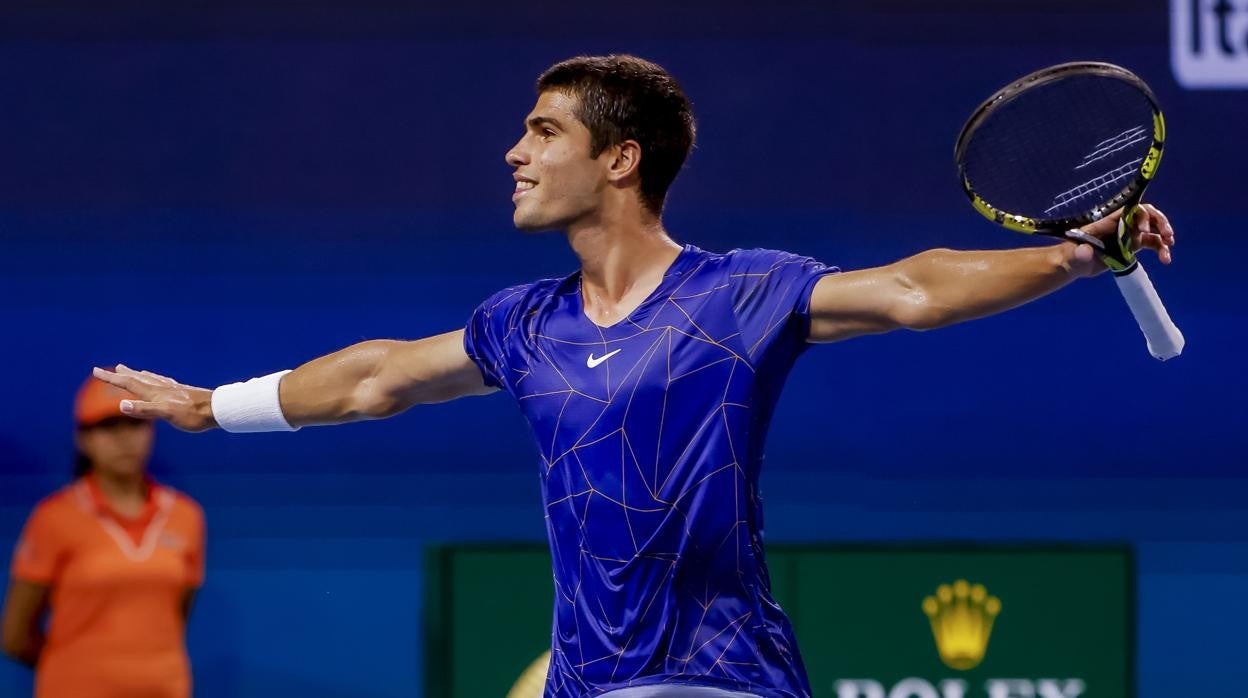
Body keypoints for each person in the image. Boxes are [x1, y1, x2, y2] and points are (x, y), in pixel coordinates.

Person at [90, 55, 1175, 698]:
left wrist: (1069, 254)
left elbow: (911, 288)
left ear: (620, 159)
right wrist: (211, 405)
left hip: (719, 678)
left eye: (542, 130)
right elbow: (376, 377)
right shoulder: (524, 324)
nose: (515, 150)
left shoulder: (737, 296)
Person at [1, 377, 205, 698]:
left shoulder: (186, 517)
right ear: (83, 439)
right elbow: (15, 637)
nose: (125, 438)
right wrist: (75, 668)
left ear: (151, 431)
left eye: (135, 424)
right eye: (109, 426)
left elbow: (173, 617)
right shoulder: (54, 518)